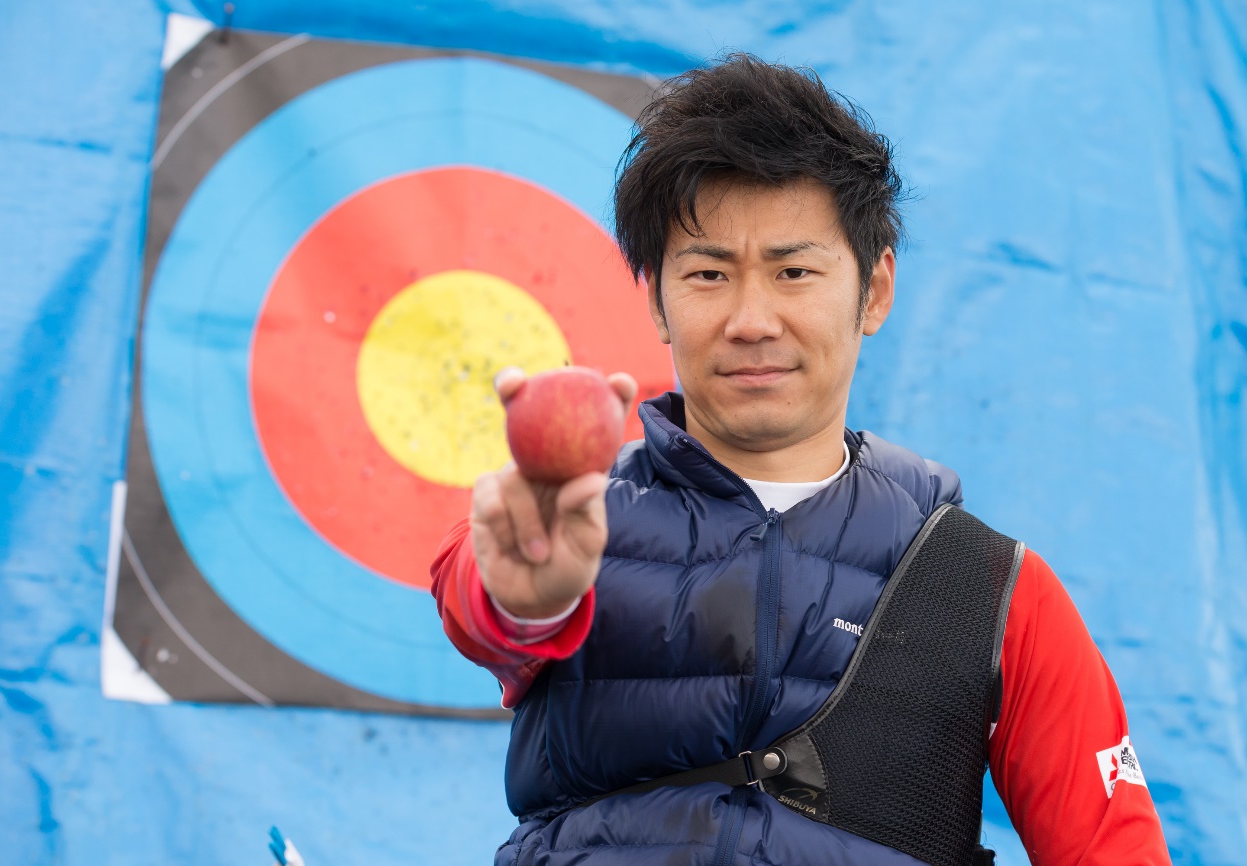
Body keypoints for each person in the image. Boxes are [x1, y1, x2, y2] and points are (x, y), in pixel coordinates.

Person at [431, 54, 1171, 866]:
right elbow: (481, 598)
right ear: (655, 299)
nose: (752, 319)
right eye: (709, 273)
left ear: (874, 290)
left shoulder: (990, 589)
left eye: (793, 272)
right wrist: (524, 595)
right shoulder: (574, 523)